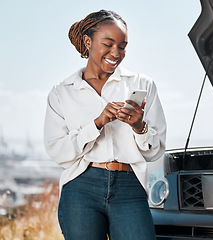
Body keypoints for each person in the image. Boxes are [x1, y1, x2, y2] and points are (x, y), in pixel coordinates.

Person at [44, 9, 166, 240]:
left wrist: (140, 127)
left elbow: (155, 151)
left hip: (130, 186)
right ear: (88, 42)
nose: (116, 53)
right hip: (81, 186)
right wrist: (97, 124)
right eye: (108, 44)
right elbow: (58, 151)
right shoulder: (62, 93)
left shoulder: (143, 84)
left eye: (122, 46)